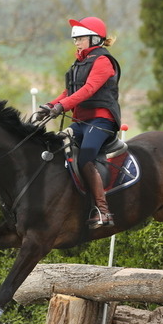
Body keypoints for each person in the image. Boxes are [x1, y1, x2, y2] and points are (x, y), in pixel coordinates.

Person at [37, 16, 121, 229]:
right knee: (56, 146)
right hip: (81, 121)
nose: (76, 42)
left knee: (85, 158)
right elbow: (70, 91)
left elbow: (89, 90)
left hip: (102, 120)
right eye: (75, 39)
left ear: (94, 39)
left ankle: (103, 211)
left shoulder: (103, 61)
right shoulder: (80, 62)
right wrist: (49, 106)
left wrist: (61, 107)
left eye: (81, 38)